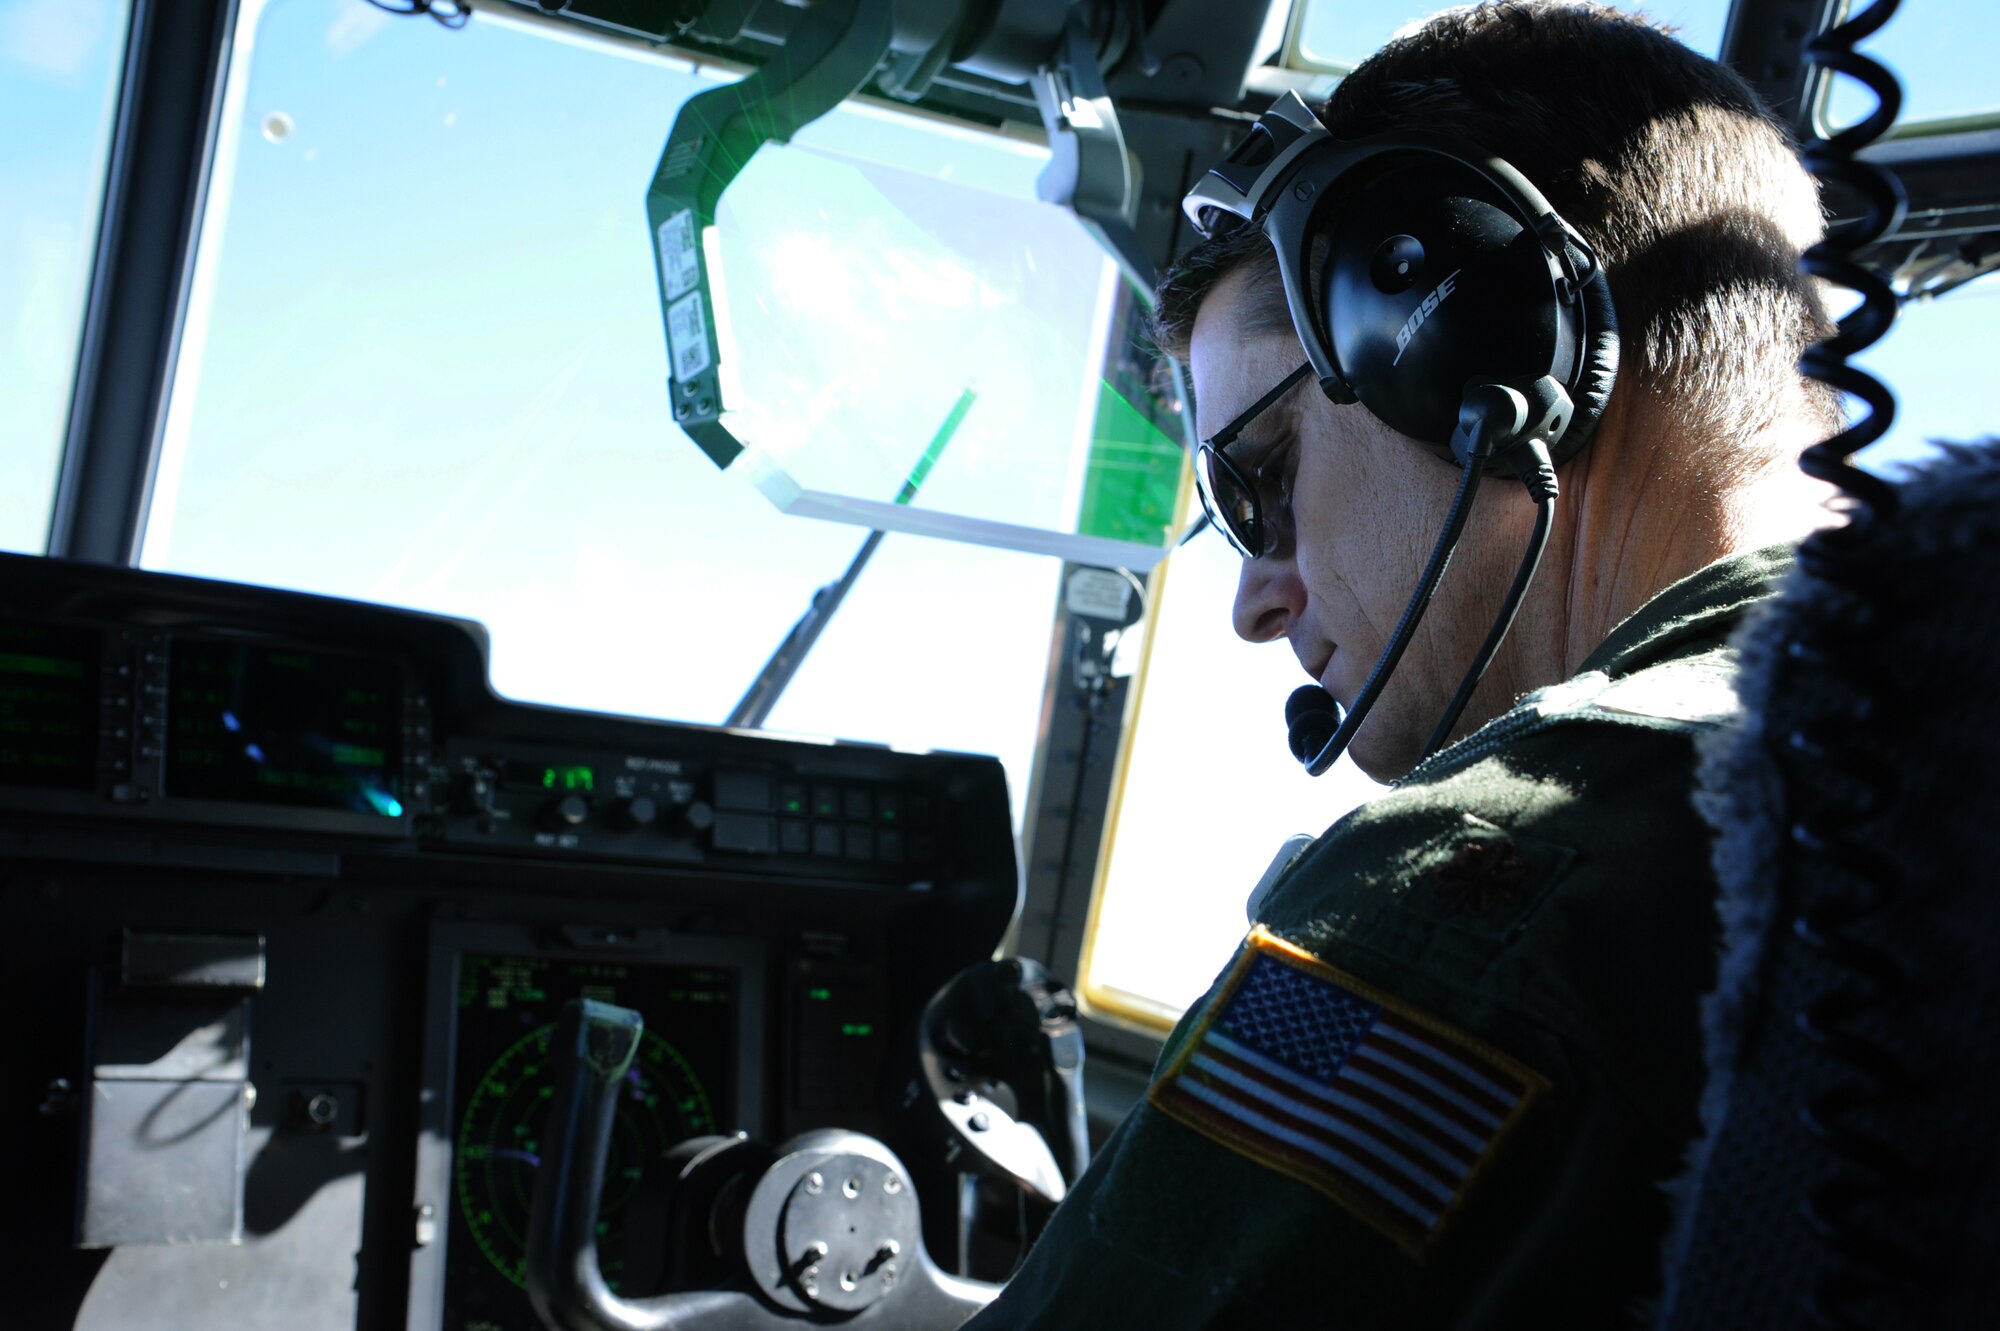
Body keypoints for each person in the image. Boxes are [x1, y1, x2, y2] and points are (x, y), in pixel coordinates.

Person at [965, 3, 1838, 1326]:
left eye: (1257, 481)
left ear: (1472, 340)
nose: (1256, 605)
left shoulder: (1500, 868)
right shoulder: (1897, 754)